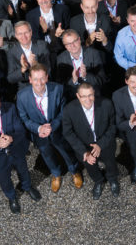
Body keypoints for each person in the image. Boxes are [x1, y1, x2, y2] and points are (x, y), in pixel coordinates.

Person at [0, 88, 42, 213]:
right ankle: (12, 197)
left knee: (23, 170)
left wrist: (11, 138)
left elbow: (20, 130)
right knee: (4, 180)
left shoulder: (10, 108)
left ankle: (27, 187)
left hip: (16, 150)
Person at [16, 64, 83, 193]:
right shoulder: (21, 96)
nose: (39, 83)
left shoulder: (58, 89)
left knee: (66, 151)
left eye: (42, 78)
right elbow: (24, 119)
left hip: (58, 129)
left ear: (47, 77)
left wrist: (54, 125)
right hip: (39, 133)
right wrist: (38, 128)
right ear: (30, 79)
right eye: (35, 79)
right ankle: (56, 174)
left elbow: (63, 111)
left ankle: (74, 170)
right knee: (47, 154)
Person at [63, 82, 120, 199]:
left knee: (110, 163)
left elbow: (112, 127)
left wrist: (100, 145)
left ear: (94, 94)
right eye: (84, 96)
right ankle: (98, 181)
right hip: (84, 146)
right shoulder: (69, 110)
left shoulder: (106, 104)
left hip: (105, 142)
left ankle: (112, 179)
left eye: (90, 95)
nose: (88, 99)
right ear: (78, 96)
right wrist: (84, 152)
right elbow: (68, 133)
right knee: (90, 166)